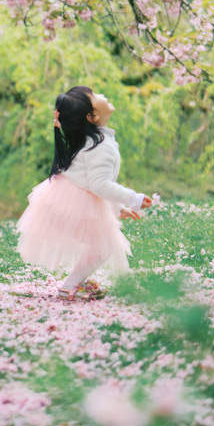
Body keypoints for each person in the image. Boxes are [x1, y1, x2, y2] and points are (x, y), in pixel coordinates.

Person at [17, 85, 152, 300]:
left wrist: (119, 209)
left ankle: (75, 282)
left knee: (102, 244)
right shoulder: (100, 145)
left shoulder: (97, 141)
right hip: (70, 203)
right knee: (104, 245)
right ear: (92, 116)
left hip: (68, 199)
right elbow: (99, 186)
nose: (102, 94)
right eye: (95, 96)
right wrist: (132, 198)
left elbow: (96, 185)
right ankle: (70, 285)